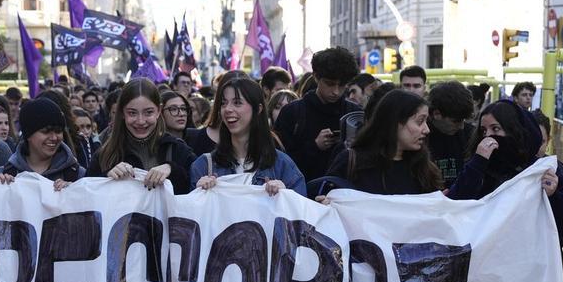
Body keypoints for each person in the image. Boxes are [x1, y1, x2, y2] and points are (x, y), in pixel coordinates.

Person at [457, 101, 563, 245]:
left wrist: (554, 197)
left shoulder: (546, 170)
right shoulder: (479, 166)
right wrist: (477, 164)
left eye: (495, 129)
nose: (488, 136)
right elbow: (456, 210)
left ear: (514, 131)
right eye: (484, 131)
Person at [190, 76, 305, 197]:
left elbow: (301, 206)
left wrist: (286, 195)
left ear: (258, 109)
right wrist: (199, 194)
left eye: (237, 103)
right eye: (223, 103)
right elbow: (189, 207)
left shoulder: (282, 165)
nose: (228, 109)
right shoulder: (204, 166)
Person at [318, 89, 444, 198]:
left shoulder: (424, 169)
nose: (426, 129)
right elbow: (325, 199)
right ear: (395, 122)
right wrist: (326, 202)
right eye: (420, 121)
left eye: (426, 122)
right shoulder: (352, 162)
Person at [88, 78, 196, 194]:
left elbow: (197, 189)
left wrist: (172, 169)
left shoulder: (178, 150)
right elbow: (86, 194)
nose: (140, 121)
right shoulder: (104, 155)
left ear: (158, 111)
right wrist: (106, 178)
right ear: (122, 112)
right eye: (132, 113)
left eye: (148, 112)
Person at [273, 46, 360, 181]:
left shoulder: (355, 114)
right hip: (301, 189)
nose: (336, 91)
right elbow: (278, 161)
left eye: (342, 85)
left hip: (345, 189)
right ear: (316, 77)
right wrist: (314, 146)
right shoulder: (292, 113)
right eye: (330, 84)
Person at [0, 97, 85, 186]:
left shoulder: (78, 175)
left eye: (58, 131)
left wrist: (74, 191)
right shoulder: (3, 174)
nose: (54, 137)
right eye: (46, 132)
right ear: (28, 135)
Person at [531, 111, 563, 247]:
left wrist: (555, 196)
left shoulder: (560, 174)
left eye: (541, 141)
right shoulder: (506, 168)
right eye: (530, 139)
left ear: (548, 141)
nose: (535, 147)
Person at [425, 81, 477, 188]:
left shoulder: (470, 134)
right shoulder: (419, 136)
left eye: (464, 120)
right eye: (456, 121)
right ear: (436, 114)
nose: (461, 127)